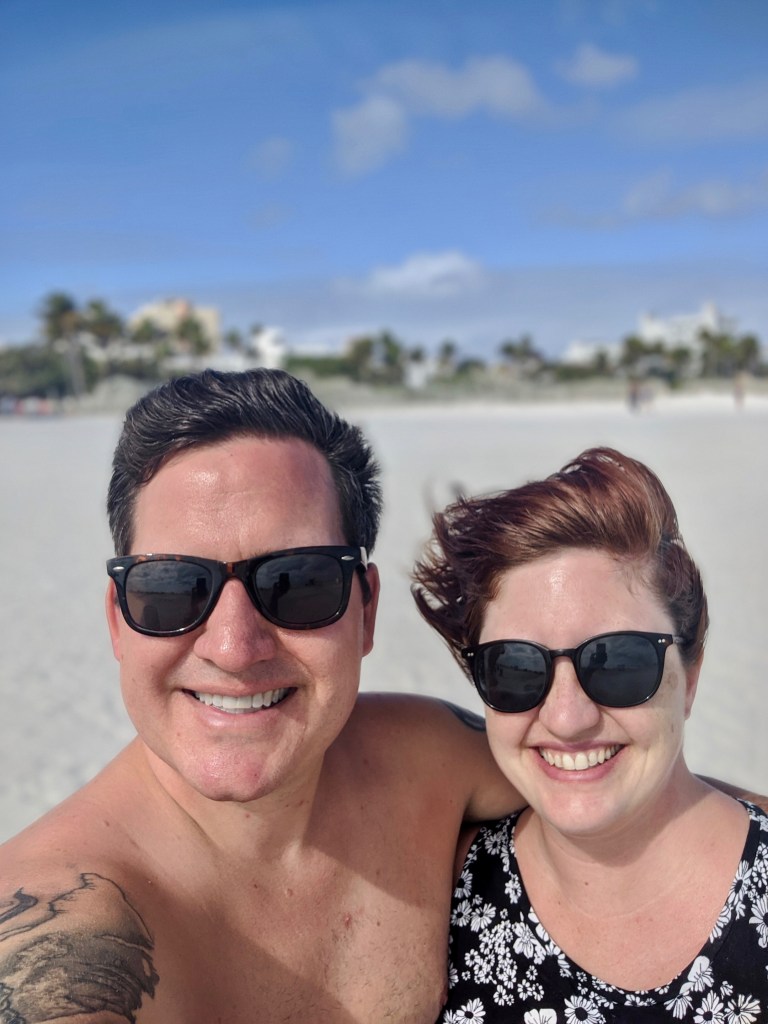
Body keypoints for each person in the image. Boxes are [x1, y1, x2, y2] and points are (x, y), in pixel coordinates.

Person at [0, 368, 520, 1023]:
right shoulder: (61, 930)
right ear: (118, 620)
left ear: (365, 611)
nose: (234, 647)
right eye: (172, 588)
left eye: (297, 582)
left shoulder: (433, 762)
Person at [412, 446, 768, 1022]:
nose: (567, 717)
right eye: (516, 668)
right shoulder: (431, 898)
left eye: (618, 662)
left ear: (691, 674)